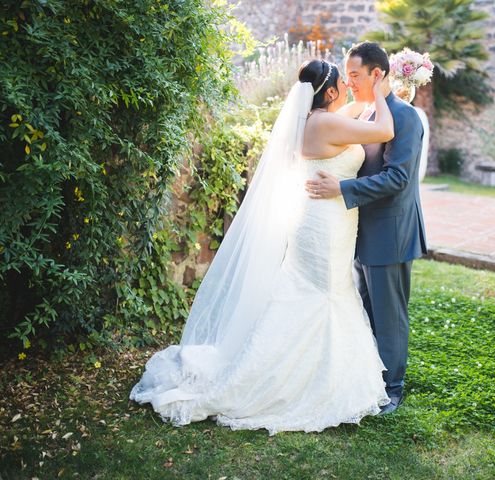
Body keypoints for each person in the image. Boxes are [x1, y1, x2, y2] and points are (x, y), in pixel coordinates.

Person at [130, 58, 397, 435]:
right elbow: (383, 129)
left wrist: (367, 95)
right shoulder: (327, 123)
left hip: (318, 220)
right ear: (331, 92)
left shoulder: (312, 121)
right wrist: (383, 89)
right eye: (343, 81)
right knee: (322, 293)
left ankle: (313, 369)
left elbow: (357, 111)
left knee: (313, 290)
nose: (347, 87)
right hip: (326, 223)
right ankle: (292, 380)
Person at [306, 42, 428, 414]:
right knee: (367, 309)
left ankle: (393, 387)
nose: (349, 82)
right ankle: (371, 376)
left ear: (378, 74)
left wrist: (341, 188)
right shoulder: (367, 112)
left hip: (390, 232)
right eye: (347, 75)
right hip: (357, 230)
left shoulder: (404, 117)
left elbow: (397, 179)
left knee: (389, 315)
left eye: (356, 75)